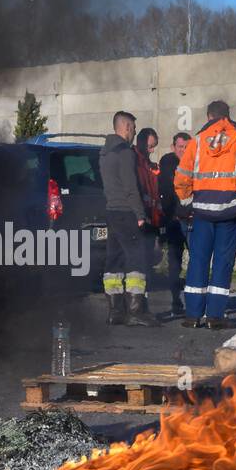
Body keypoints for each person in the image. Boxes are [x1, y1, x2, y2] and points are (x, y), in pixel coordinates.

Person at [174, 100, 236, 330]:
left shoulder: (196, 142)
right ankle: (215, 316)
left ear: (208, 117)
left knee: (198, 261)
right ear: (228, 116)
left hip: (202, 211)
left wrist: (188, 203)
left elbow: (182, 177)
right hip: (231, 212)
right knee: (223, 263)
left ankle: (192, 315)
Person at [99, 111, 157, 326]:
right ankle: (135, 312)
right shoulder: (125, 152)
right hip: (126, 212)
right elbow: (130, 186)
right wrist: (140, 214)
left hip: (112, 211)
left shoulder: (105, 152)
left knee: (113, 261)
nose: (133, 132)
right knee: (136, 260)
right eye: (132, 128)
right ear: (125, 127)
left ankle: (115, 312)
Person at [157, 131, 192, 318]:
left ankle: (194, 300)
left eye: (187, 147)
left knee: (197, 260)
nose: (184, 151)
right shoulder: (168, 163)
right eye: (181, 147)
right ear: (173, 147)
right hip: (174, 220)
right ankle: (175, 300)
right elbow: (167, 192)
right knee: (174, 263)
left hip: (193, 219)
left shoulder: (196, 162)